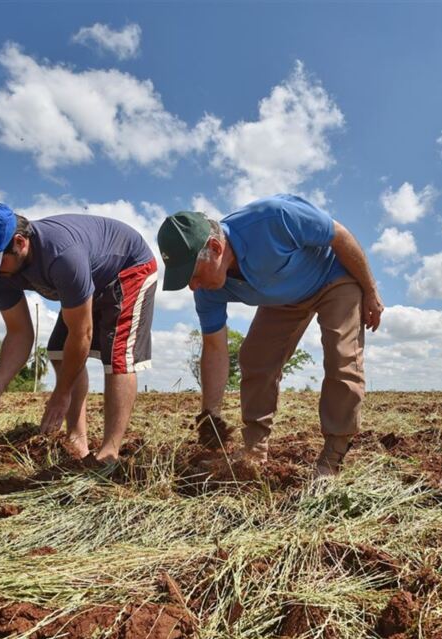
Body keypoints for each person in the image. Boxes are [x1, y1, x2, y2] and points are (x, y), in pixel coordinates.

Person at [157, 194, 382, 477]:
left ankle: (333, 456)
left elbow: (339, 235)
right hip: (284, 297)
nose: (193, 286)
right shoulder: (208, 290)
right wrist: (209, 414)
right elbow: (214, 349)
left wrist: (370, 291)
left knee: (341, 355)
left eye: (193, 274)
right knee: (256, 358)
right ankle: (254, 450)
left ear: (215, 248)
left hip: (333, 277)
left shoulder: (273, 219)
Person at [0, 203, 157, 466]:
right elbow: (18, 333)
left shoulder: (63, 256)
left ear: (20, 242)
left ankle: (109, 452)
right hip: (89, 276)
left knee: (118, 356)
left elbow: (81, 333)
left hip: (128, 266)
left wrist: (61, 393)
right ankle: (78, 438)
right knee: (60, 353)